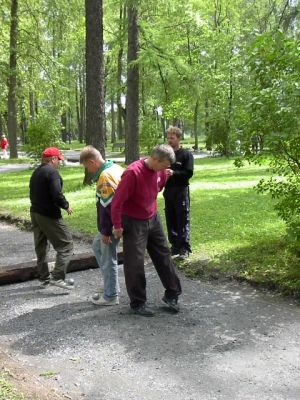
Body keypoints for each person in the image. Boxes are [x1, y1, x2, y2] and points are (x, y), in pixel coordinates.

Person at [111, 144, 182, 317]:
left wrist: (166, 174)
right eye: (164, 165)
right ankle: (137, 303)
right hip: (133, 222)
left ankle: (172, 294)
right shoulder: (132, 173)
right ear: (155, 159)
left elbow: (157, 187)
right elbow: (117, 202)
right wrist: (117, 225)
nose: (166, 169)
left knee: (164, 255)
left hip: (152, 218)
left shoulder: (161, 171)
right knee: (134, 263)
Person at [80, 145, 124, 306]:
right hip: (117, 220)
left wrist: (106, 231)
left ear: (92, 161)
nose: (89, 170)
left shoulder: (105, 176)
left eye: (87, 166)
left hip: (112, 224)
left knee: (107, 255)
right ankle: (110, 285)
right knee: (97, 246)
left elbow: (107, 207)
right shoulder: (115, 167)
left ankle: (111, 295)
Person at [29, 147, 74, 290]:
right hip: (48, 214)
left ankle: (44, 278)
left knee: (41, 246)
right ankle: (57, 277)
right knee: (66, 245)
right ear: (53, 159)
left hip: (35, 212)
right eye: (58, 160)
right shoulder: (52, 172)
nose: (59, 163)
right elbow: (56, 193)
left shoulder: (36, 172)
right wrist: (66, 205)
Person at [164, 126, 194, 259]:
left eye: (172, 138)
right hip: (168, 190)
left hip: (181, 190)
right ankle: (175, 246)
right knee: (170, 218)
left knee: (182, 217)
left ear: (178, 138)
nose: (169, 140)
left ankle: (184, 247)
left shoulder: (186, 155)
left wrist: (174, 172)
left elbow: (188, 173)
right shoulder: (166, 155)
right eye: (168, 137)